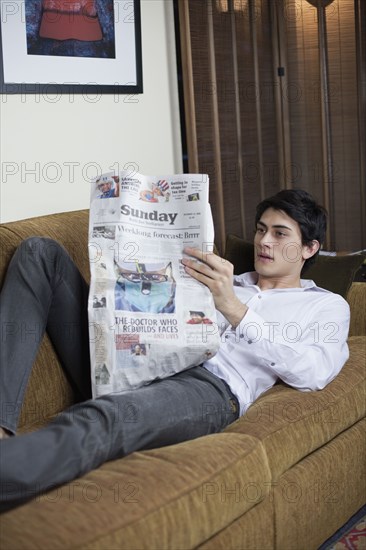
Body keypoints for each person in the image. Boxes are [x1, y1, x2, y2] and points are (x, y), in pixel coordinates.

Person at [0, 189, 350, 512]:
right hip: (133, 359)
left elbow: (313, 373)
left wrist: (236, 310)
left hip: (206, 389)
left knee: (105, 417)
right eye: (261, 230)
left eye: (279, 233)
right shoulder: (220, 278)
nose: (264, 241)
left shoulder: (323, 306)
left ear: (309, 248)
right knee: (40, 253)